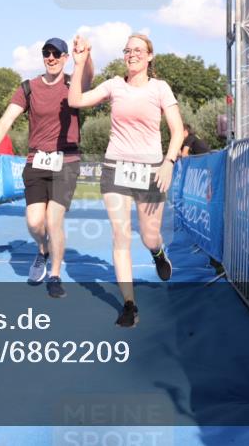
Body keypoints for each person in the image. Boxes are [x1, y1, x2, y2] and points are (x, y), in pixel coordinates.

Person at [68, 34, 183, 327]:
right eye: (127, 50)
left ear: (149, 56)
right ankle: (129, 304)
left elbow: (178, 130)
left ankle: (158, 253)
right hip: (115, 167)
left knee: (148, 236)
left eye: (138, 50)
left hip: (151, 170)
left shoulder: (160, 88)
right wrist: (80, 62)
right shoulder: (114, 85)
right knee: (120, 235)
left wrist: (169, 163)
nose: (132, 54)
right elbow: (76, 100)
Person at [0, 37, 94, 298]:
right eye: (47, 53)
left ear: (66, 57)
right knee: (35, 223)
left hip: (66, 161)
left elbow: (89, 77)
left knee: (53, 220)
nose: (52, 57)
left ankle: (55, 274)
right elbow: (7, 118)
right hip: (36, 160)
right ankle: (42, 250)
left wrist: (86, 57)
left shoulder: (72, 83)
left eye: (57, 53)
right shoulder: (28, 88)